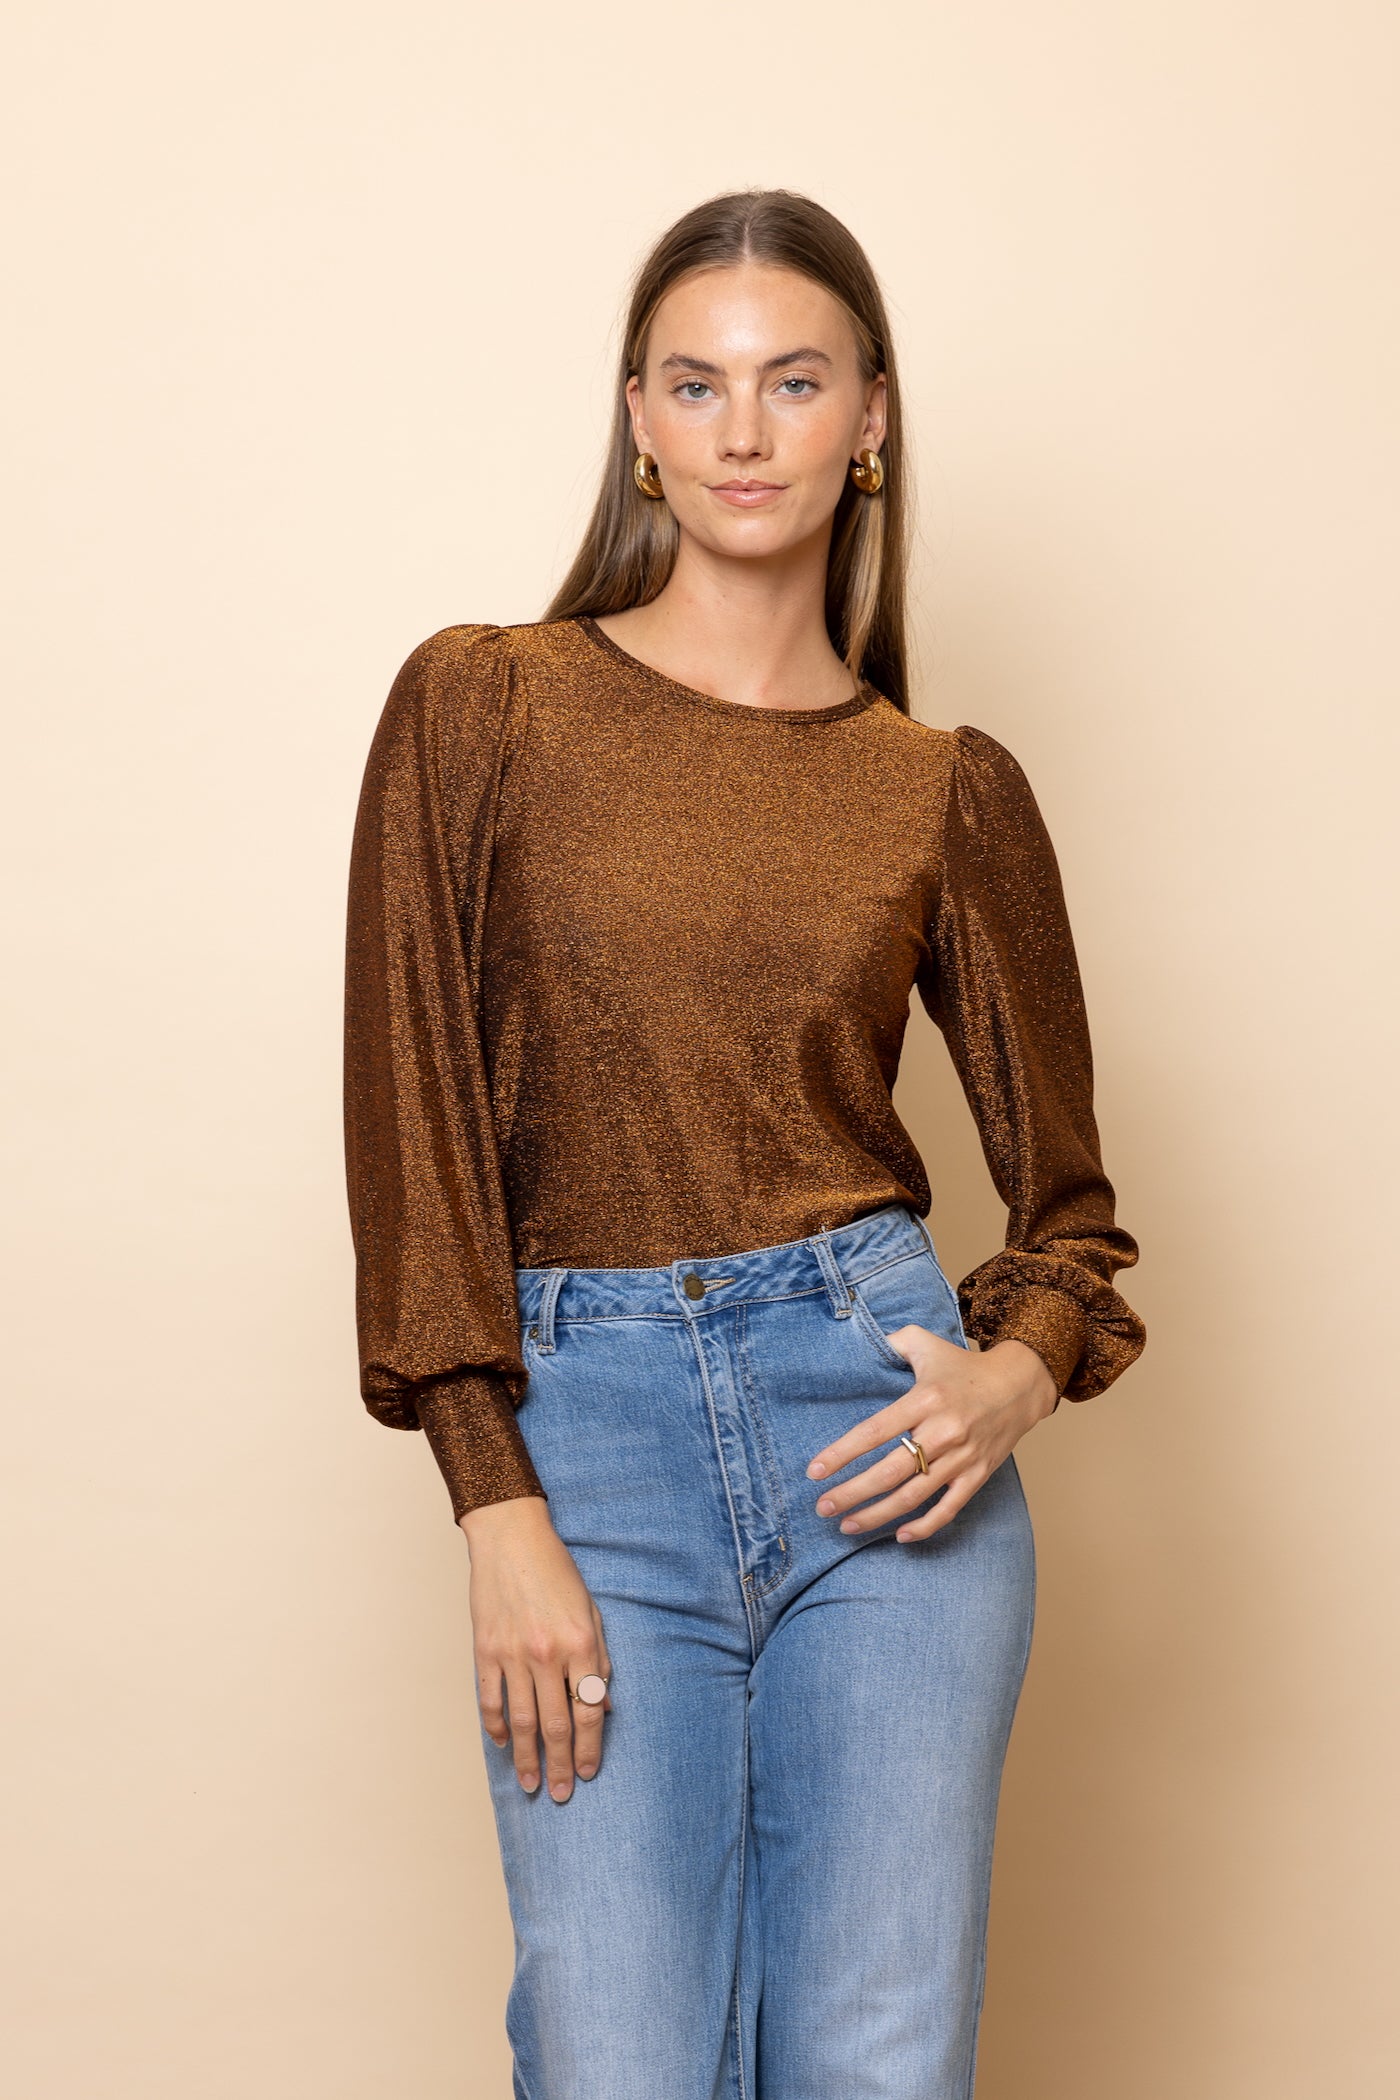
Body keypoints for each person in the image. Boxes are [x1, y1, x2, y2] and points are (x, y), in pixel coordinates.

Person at [343, 188, 1146, 2100]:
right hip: (588, 1443)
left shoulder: (939, 790)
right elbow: (414, 1113)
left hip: (879, 1444)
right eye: (695, 385)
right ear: (638, 418)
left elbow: (1074, 1216)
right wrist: (495, 1499)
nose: (744, 430)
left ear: (871, 416)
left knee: (880, 2064)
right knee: (616, 2055)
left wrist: (1012, 1376)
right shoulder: (485, 705)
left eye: (795, 380)